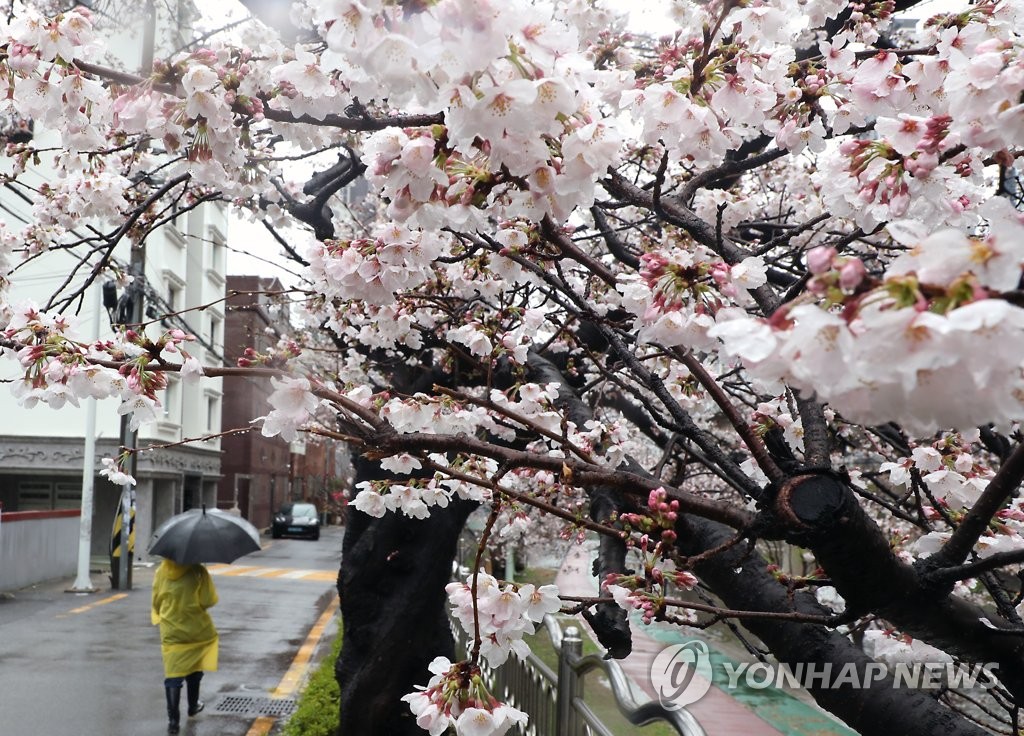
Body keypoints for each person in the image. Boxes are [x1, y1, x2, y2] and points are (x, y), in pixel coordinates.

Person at [151, 558, 219, 734]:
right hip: (195, 630)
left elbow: (156, 601)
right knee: (195, 666)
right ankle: (193, 705)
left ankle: (173, 722)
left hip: (171, 631)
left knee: (173, 675)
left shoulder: (161, 571)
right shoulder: (198, 571)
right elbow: (208, 600)